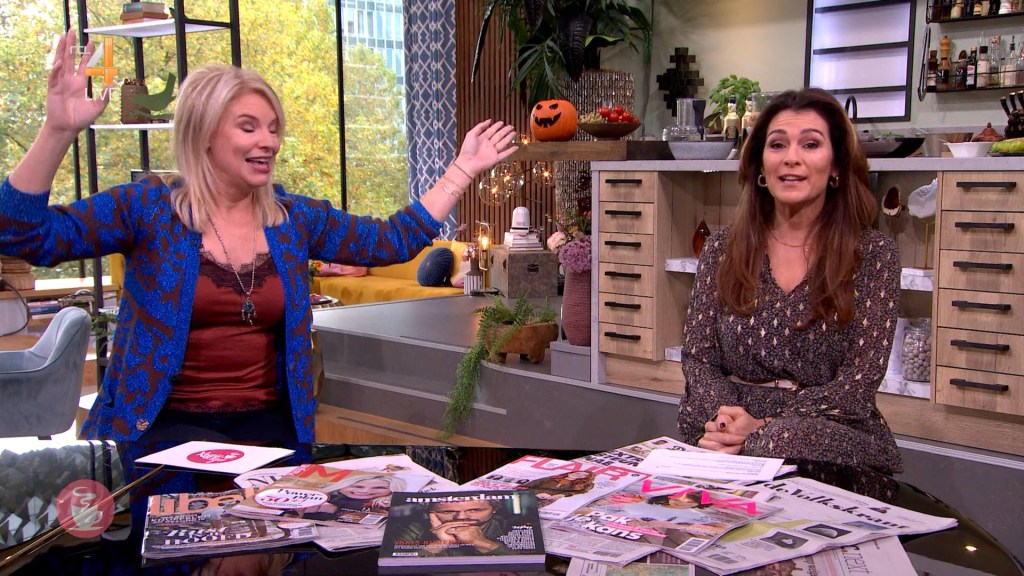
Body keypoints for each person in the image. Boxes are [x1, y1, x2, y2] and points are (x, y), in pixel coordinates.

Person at [0, 30, 518, 444]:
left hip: (270, 433)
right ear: (204, 134)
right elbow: (23, 236)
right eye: (248, 127)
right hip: (160, 433)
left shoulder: (293, 219)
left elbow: (389, 241)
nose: (268, 141)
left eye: (273, 128)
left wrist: (461, 170)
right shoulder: (148, 208)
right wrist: (57, 131)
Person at [676, 88, 903, 481]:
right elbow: (699, 359)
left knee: (781, 439)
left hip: (823, 426)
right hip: (728, 416)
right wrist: (728, 420)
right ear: (760, 165)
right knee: (702, 422)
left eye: (810, 144)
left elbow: (858, 385)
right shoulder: (722, 248)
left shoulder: (873, 254)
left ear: (836, 164)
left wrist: (763, 426)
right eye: (777, 144)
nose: (791, 158)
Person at [390, 498, 526, 557]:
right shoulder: (412, 528)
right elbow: (393, 568)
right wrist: (440, 544)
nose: (461, 517)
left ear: (494, 509)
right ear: (429, 513)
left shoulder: (515, 526)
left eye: (475, 510)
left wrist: (484, 544)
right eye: (447, 512)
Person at [295, 474, 404, 520]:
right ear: (340, 486)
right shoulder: (325, 495)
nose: (365, 491)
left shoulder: (388, 504)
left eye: (379, 488)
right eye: (357, 486)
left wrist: (335, 510)